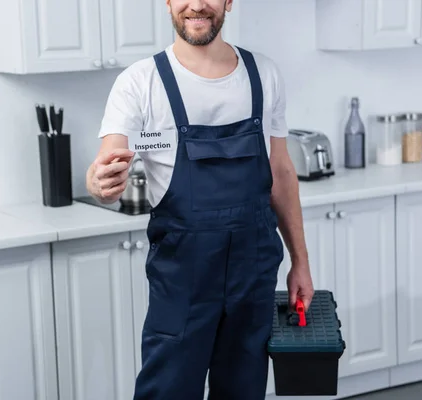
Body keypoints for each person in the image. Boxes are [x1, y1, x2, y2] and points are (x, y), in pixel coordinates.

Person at [86, 1, 314, 398]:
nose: (196, 5)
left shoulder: (264, 75)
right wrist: (98, 181)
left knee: (244, 391)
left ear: (228, 2)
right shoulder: (140, 82)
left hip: (253, 273)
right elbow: (107, 160)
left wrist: (301, 262)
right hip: (182, 281)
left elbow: (280, 173)